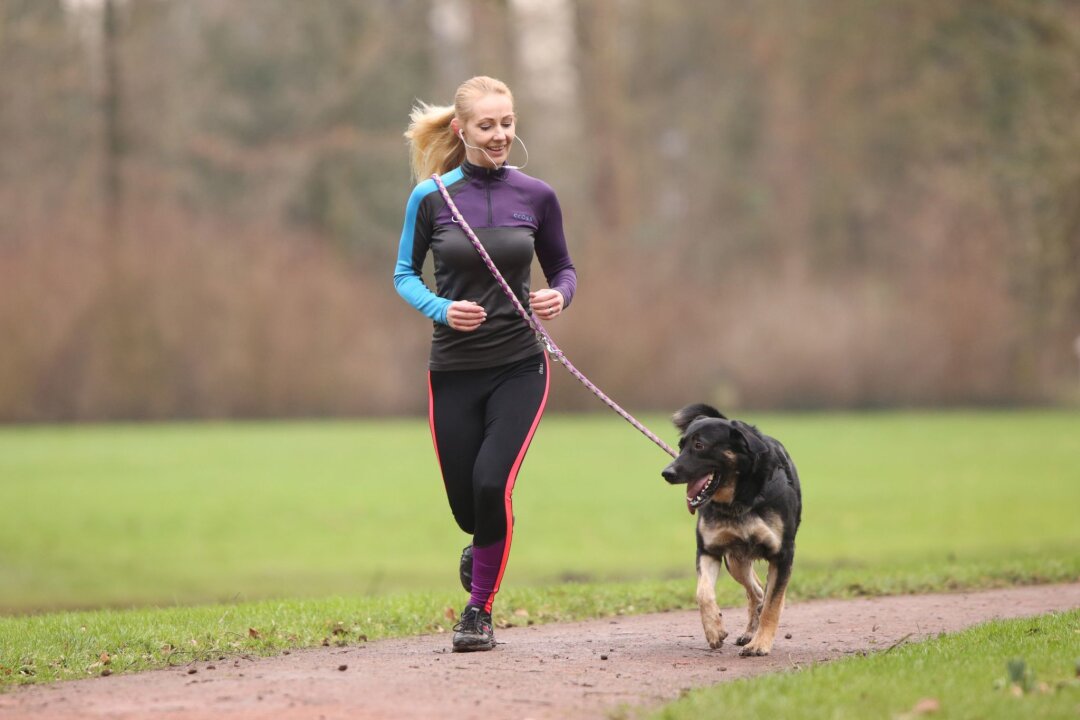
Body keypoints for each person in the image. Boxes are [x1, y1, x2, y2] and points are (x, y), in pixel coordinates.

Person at [393, 76, 577, 652]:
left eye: (507, 123)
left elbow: (564, 270)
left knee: (492, 483)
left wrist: (559, 296)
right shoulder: (431, 198)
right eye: (487, 125)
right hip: (452, 369)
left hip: (520, 364)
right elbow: (404, 275)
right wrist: (442, 309)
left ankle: (478, 612)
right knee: (466, 505)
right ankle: (482, 550)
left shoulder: (538, 196)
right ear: (461, 129)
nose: (500, 135)